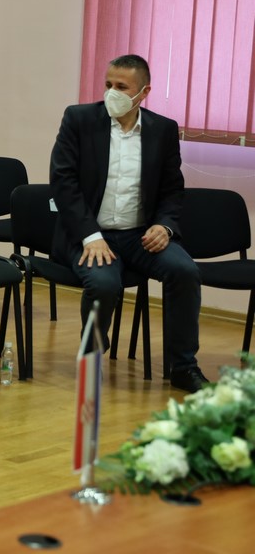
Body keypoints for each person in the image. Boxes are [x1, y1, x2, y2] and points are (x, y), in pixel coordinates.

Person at [50, 54, 207, 392]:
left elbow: (172, 189)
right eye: (108, 84)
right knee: (104, 284)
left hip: (139, 236)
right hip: (91, 236)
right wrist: (90, 236)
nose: (112, 92)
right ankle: (91, 359)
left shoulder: (162, 130)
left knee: (185, 271)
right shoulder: (79, 119)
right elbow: (63, 183)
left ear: (143, 92)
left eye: (122, 87)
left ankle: (183, 367)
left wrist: (164, 226)